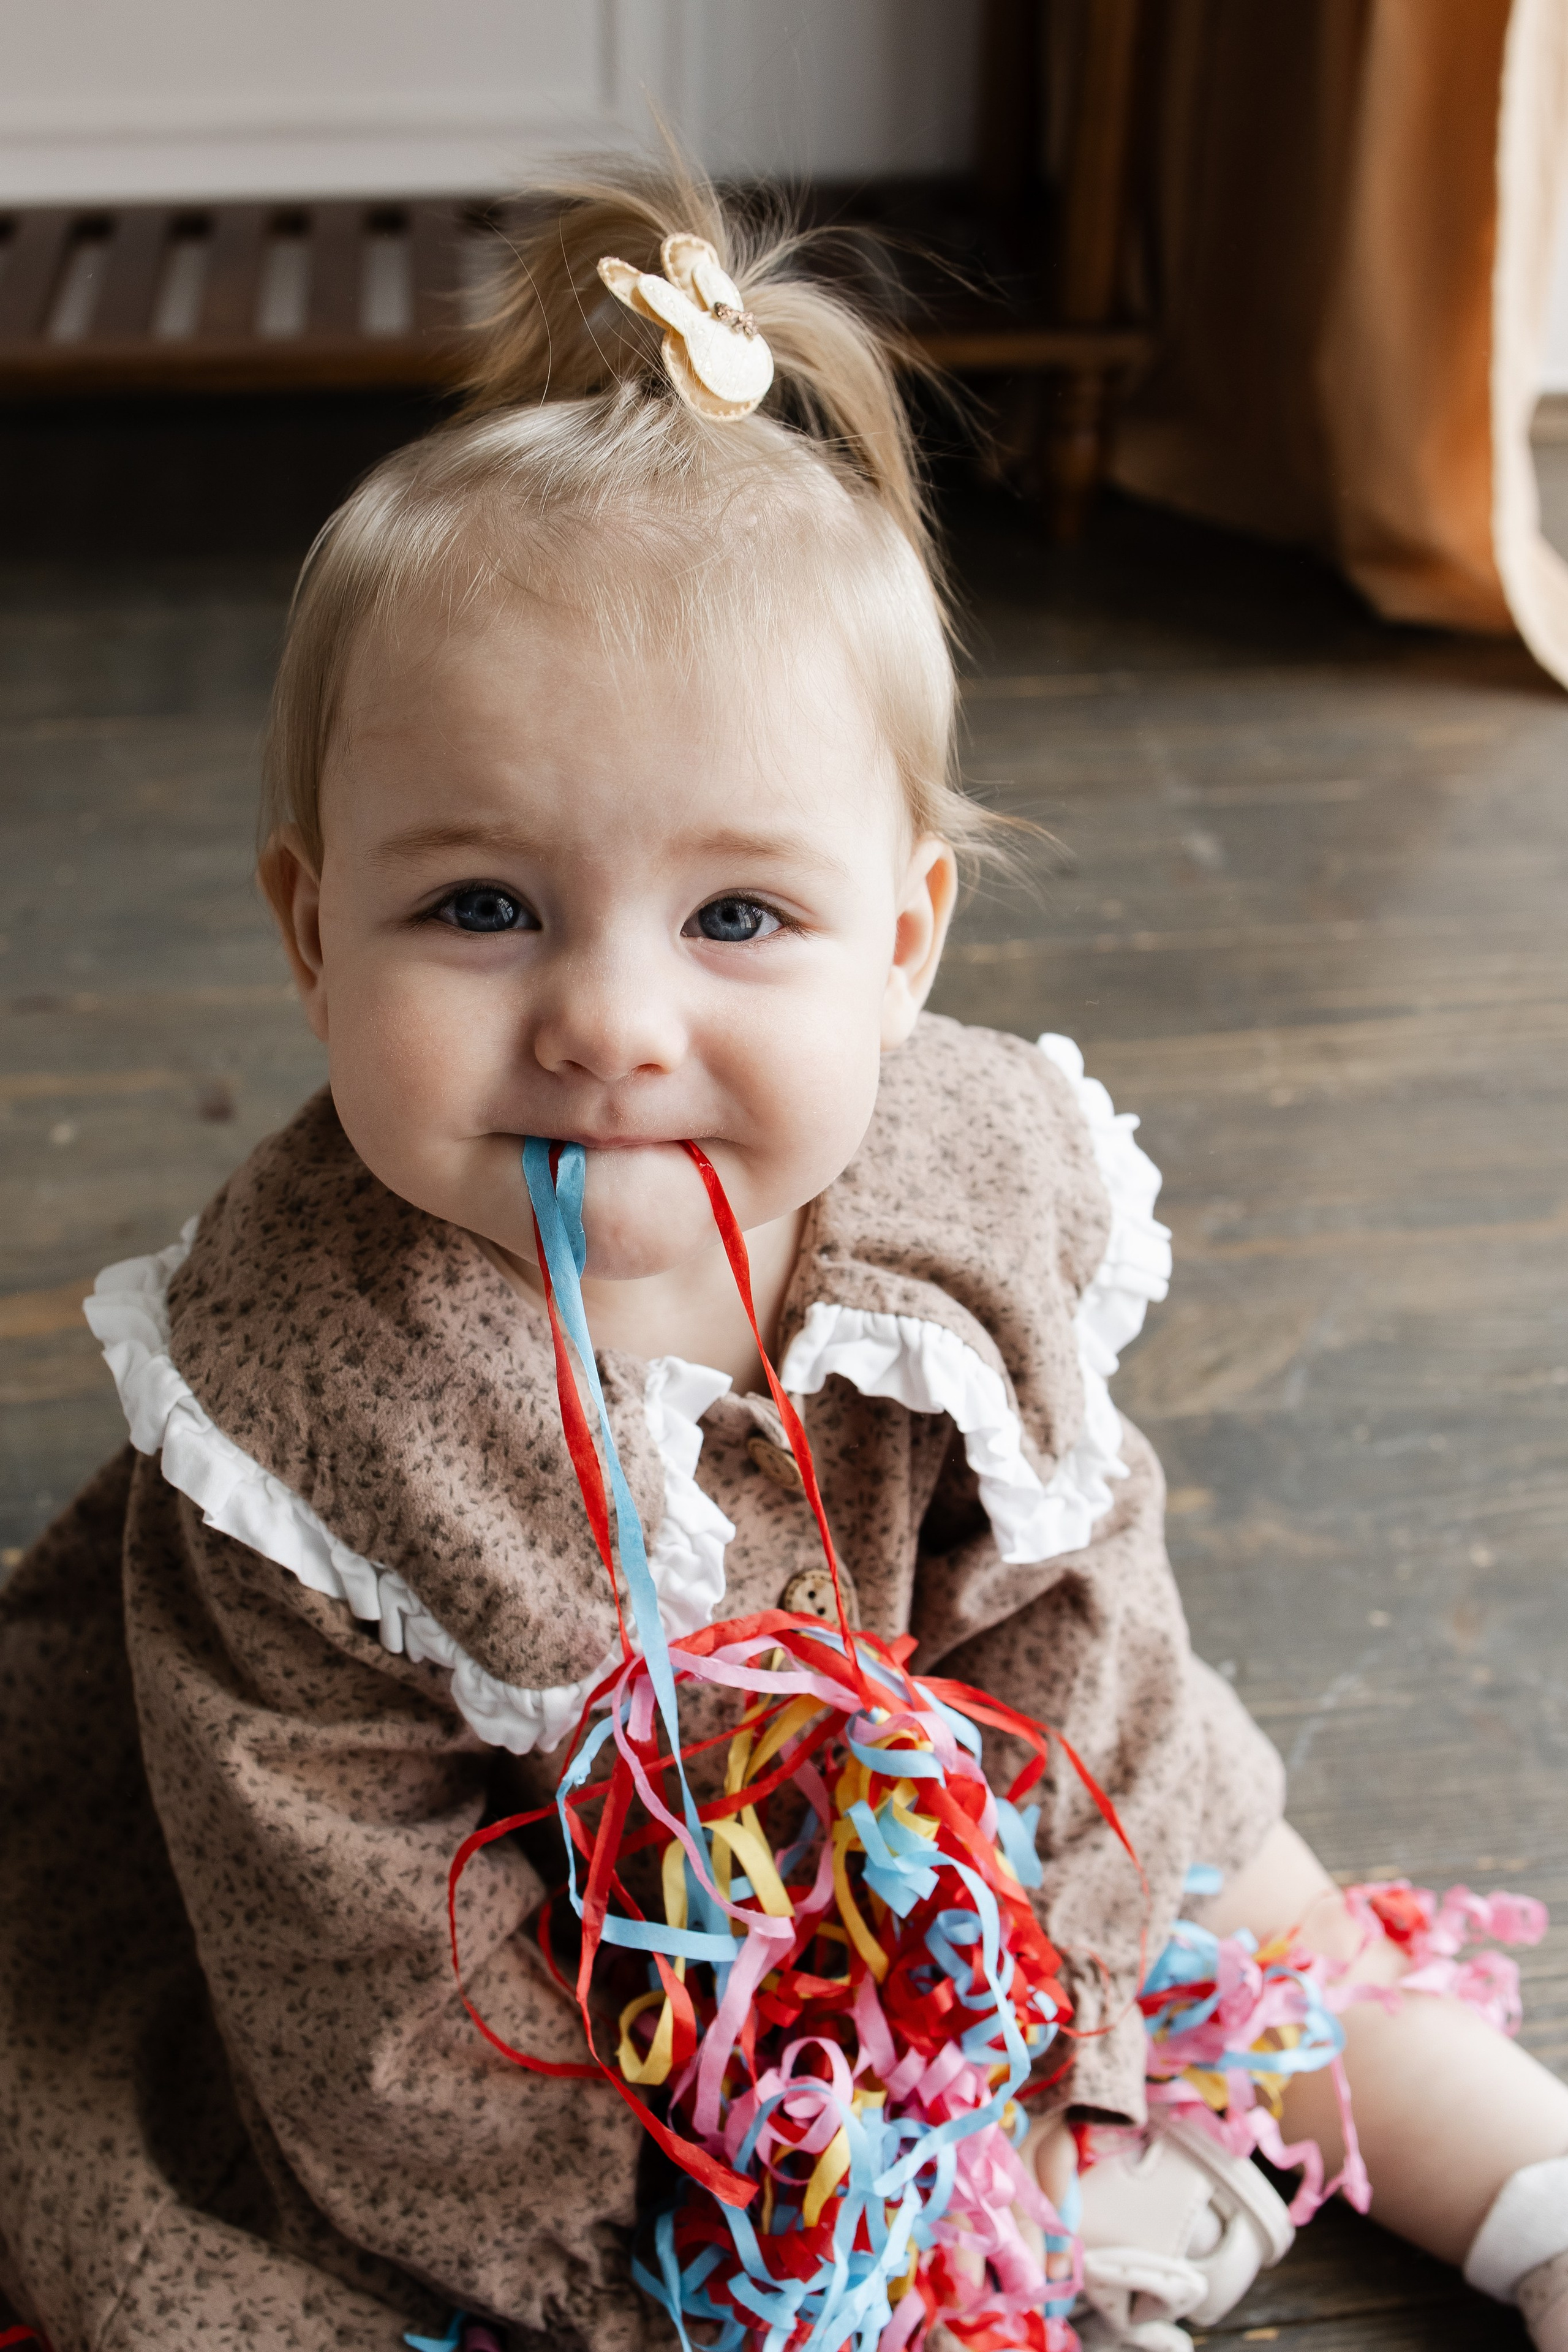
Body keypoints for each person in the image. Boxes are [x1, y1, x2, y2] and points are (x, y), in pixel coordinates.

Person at [1, 156, 1566, 2352]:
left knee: (1250, 1907)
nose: (611, 1022)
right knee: (208, 2242)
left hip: (923, 1795)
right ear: (310, 927)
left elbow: (1076, 1640)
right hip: (485, 1943)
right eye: (479, 908)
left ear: (904, 944)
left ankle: (1529, 2190)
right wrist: (700, 2250)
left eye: (737, 916)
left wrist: (1072, 2007)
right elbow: (357, 1988)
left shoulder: (961, 1217)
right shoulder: (301, 1411)